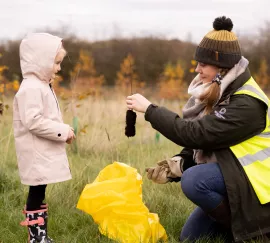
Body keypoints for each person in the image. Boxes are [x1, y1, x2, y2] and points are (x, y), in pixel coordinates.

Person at [126, 16, 270, 242]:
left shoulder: (247, 103)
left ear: (222, 66)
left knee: (194, 181)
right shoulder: (222, 90)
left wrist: (151, 110)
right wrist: (179, 162)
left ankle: (251, 230)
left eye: (203, 64)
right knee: (190, 237)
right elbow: (210, 140)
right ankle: (237, 224)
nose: (197, 69)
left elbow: (198, 135)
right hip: (235, 176)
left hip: (257, 190)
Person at [13, 33, 76, 243]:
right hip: (36, 153)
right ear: (41, 61)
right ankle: (37, 238)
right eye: (56, 63)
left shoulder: (40, 85)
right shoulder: (30, 88)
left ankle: (40, 236)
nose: (59, 68)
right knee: (36, 192)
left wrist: (62, 131)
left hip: (41, 151)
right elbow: (33, 121)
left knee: (39, 191)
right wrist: (63, 131)